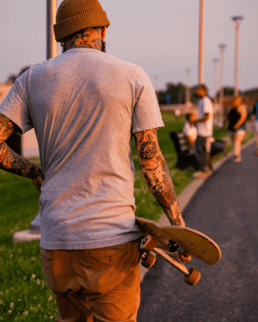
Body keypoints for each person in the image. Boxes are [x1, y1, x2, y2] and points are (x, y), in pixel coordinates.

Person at [0, 0, 190, 320]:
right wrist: (177, 226)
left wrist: (34, 170)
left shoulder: (32, 79)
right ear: (102, 29)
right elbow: (151, 161)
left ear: (62, 36)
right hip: (111, 242)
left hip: (57, 243)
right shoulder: (132, 76)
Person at [193, 84, 214, 178]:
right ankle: (207, 169)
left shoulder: (206, 101)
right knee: (202, 151)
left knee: (203, 151)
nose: (196, 92)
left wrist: (195, 121)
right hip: (201, 131)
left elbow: (207, 116)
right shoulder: (201, 101)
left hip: (205, 131)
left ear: (203, 91)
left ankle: (204, 170)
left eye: (198, 90)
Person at [223, 96, 247, 163]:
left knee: (237, 140)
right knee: (234, 142)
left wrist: (237, 125)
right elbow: (227, 117)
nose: (235, 102)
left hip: (240, 128)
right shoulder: (231, 109)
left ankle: (236, 155)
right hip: (231, 128)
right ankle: (237, 155)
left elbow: (243, 117)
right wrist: (223, 124)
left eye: (237, 101)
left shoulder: (241, 108)